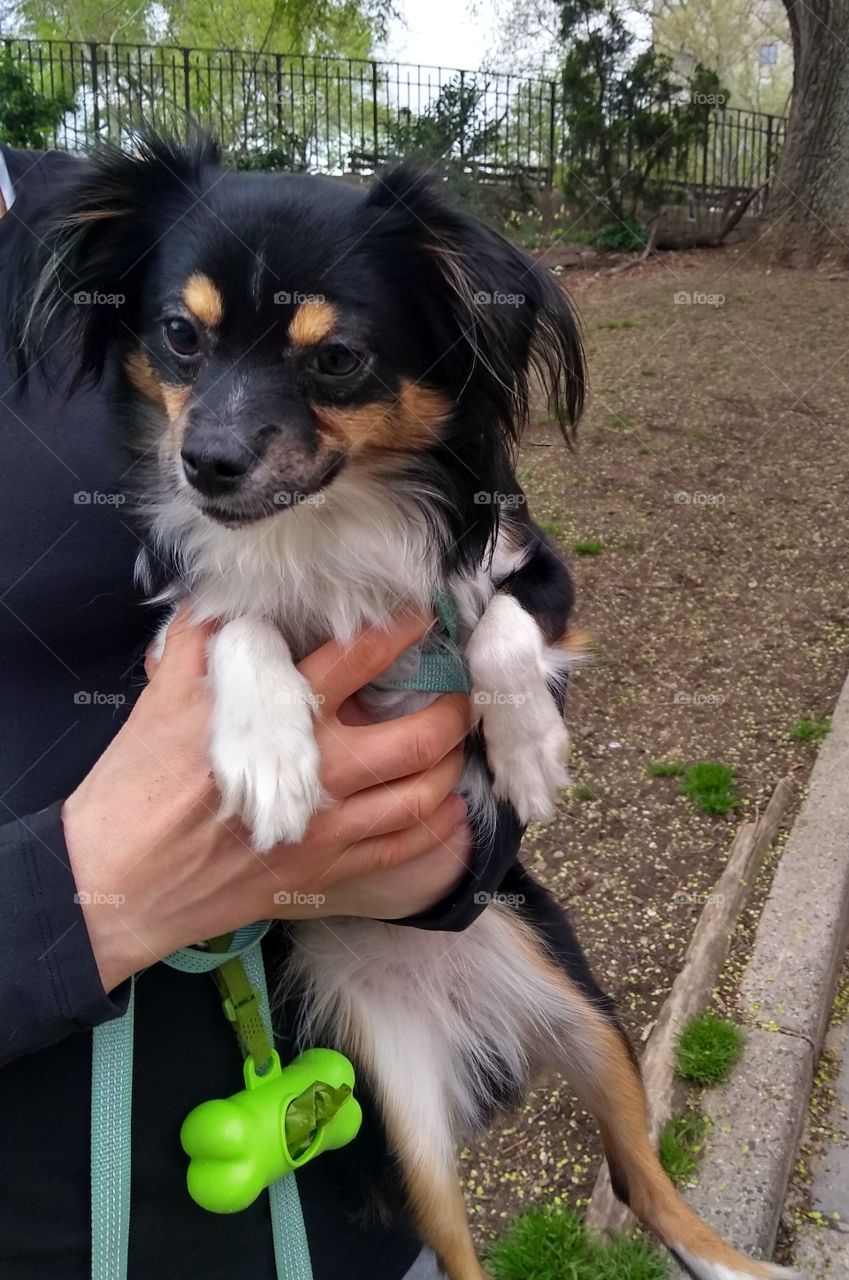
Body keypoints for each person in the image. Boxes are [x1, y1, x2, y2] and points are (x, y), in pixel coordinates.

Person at [0, 142, 525, 1280]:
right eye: (182, 342)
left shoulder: (109, 219)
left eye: (331, 359)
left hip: (341, 1187)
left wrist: (447, 853)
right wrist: (88, 894)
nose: (219, 440)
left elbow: (485, 598)